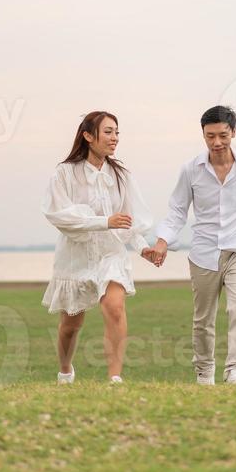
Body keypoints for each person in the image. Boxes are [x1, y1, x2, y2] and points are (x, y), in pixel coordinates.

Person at [41, 110, 158, 384]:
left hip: (110, 254)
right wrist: (104, 221)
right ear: (88, 136)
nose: (114, 138)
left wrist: (143, 248)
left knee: (115, 307)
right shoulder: (65, 173)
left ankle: (114, 378)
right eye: (108, 132)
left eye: (117, 132)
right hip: (75, 256)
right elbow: (59, 216)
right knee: (71, 326)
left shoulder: (121, 175)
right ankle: (65, 370)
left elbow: (128, 220)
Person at [152, 105, 236, 385]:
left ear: (233, 132)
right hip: (203, 252)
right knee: (204, 319)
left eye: (223, 135)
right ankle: (204, 372)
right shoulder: (191, 169)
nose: (217, 142)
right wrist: (163, 241)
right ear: (203, 135)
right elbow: (178, 210)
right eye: (210, 136)